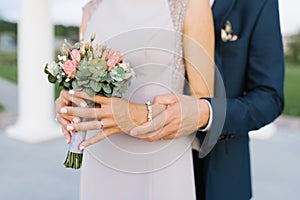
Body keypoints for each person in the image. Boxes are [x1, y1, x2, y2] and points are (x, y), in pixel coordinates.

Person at [56, 0, 215, 199]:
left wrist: (138, 115)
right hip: (100, 156)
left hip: (158, 158)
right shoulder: (92, 8)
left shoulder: (189, 4)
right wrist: (69, 100)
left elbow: (202, 102)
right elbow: (84, 77)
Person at [130, 0, 285, 199]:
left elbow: (269, 98)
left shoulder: (258, 3)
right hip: (143, 159)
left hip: (218, 172)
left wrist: (207, 113)